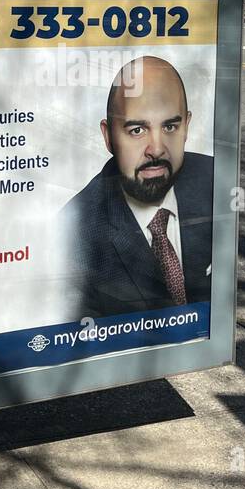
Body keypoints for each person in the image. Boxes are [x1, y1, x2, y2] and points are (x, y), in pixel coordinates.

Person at [62, 56, 214, 321]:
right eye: (136, 130)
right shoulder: (75, 234)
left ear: (186, 126)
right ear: (108, 137)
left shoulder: (214, 179)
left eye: (169, 126)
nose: (156, 148)